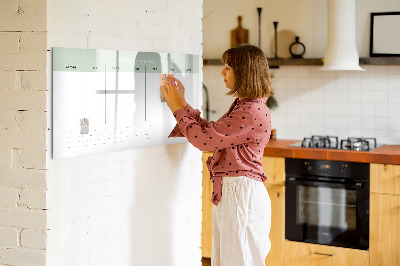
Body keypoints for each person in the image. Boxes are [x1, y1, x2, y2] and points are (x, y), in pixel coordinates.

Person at [161, 44, 273, 266]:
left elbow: (204, 141)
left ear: (244, 72)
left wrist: (176, 108)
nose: (222, 72)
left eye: (228, 67)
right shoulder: (246, 106)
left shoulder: (250, 111)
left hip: (241, 195)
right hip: (236, 193)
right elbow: (212, 133)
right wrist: (182, 103)